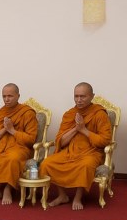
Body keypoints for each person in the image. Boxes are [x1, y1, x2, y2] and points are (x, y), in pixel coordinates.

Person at [39, 82, 112, 211]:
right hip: (69, 151)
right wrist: (76, 129)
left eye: (82, 96)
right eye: (76, 96)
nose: (79, 100)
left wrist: (84, 130)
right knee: (47, 163)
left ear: (92, 96)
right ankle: (62, 195)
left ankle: (78, 197)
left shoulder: (99, 114)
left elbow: (105, 140)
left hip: (91, 152)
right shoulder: (69, 114)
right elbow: (60, 141)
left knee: (85, 165)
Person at [0, 83, 38, 205]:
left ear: (18, 96)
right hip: (0, 147)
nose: (6, 99)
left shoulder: (27, 113)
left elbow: (30, 139)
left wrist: (12, 130)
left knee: (12, 159)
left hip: (19, 148)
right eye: (4, 96)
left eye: (10, 96)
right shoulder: (0, 113)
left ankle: (7, 189)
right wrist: (5, 129)